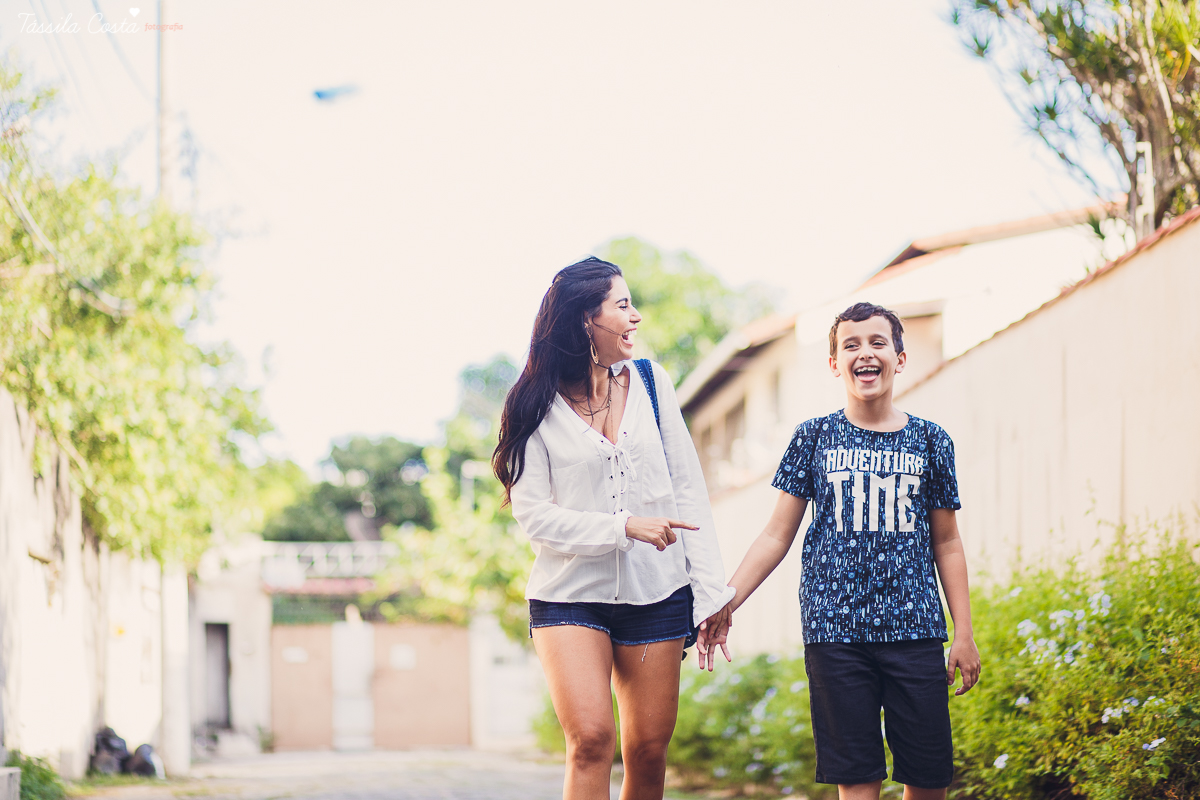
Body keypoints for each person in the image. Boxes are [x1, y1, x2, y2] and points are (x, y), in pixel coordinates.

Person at [698, 302, 981, 800]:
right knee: (856, 777)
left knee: (928, 776)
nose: (864, 353)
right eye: (850, 345)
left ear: (900, 357)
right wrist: (727, 598)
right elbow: (775, 535)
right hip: (836, 634)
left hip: (914, 630)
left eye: (877, 343)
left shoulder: (932, 442)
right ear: (834, 363)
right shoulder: (813, 438)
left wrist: (964, 633)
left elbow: (948, 542)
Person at [493, 256, 735, 800]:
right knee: (591, 741)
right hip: (570, 596)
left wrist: (711, 593)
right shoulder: (532, 404)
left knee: (647, 752)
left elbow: (688, 487)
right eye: (623, 305)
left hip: (658, 593)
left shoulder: (652, 382)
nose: (636, 317)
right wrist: (623, 526)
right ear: (586, 320)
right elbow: (536, 517)